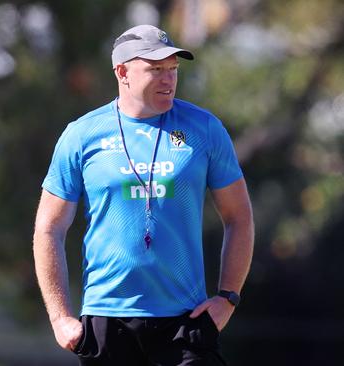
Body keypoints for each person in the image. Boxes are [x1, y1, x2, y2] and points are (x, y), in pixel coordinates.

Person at [33, 24, 254, 365]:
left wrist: (227, 297)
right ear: (122, 72)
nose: (168, 79)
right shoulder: (81, 136)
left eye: (173, 69)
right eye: (155, 69)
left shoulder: (205, 129)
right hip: (108, 322)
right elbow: (49, 228)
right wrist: (60, 317)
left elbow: (239, 217)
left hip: (187, 320)